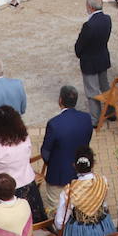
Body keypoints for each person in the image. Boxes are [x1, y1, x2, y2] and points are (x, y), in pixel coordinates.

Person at [54, 148, 115, 236]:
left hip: (78, 232)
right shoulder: (102, 181)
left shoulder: (69, 190)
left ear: (74, 166)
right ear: (93, 164)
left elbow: (59, 222)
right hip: (102, 227)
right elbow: (104, 206)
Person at [0, 105, 46, 222]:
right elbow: (28, 155)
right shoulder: (24, 137)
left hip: (6, 190)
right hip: (28, 185)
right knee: (33, 221)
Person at [41, 85, 95, 215]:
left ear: (60, 100)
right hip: (80, 170)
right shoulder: (86, 118)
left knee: (56, 210)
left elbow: (45, 152)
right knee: (78, 207)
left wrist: (52, 163)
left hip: (59, 175)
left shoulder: (54, 124)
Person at [75, 0, 113, 122]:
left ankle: (95, 118)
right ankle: (111, 111)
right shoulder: (107, 19)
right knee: (105, 87)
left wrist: (79, 54)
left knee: (92, 91)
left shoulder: (89, 25)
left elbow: (79, 46)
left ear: (90, 7)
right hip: (102, 57)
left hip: (90, 61)